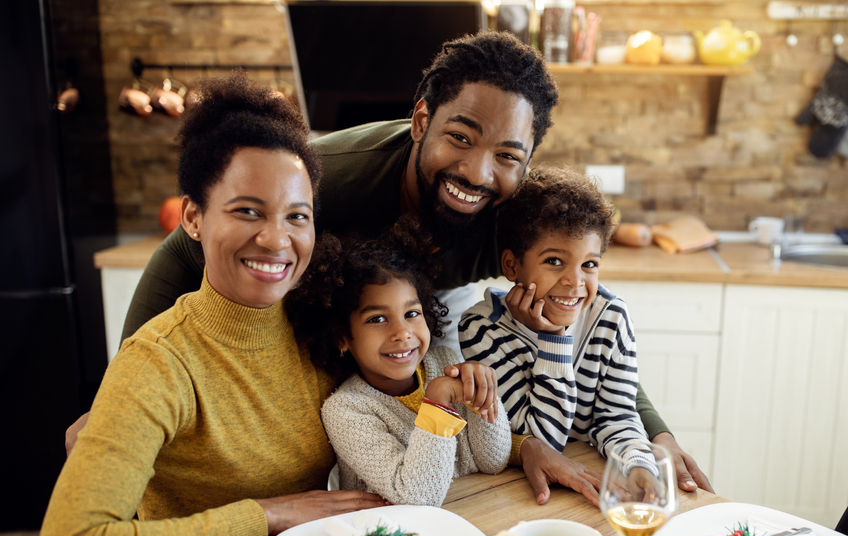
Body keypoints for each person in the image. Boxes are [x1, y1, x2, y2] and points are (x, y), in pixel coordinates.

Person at [69, 31, 711, 503]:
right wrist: (116, 397)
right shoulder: (332, 182)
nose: (478, 172)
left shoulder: (509, 215)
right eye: (460, 137)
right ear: (421, 120)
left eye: (508, 154)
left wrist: (651, 429)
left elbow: (579, 302)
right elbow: (182, 247)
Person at [35, 72, 387, 536]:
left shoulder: (319, 325)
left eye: (298, 216)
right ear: (194, 218)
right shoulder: (158, 360)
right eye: (247, 210)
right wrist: (267, 513)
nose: (276, 238)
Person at [285, 224, 511, 507]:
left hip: (468, 513)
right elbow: (418, 498)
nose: (402, 332)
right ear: (341, 337)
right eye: (377, 319)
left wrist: (484, 395)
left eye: (412, 313)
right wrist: (438, 403)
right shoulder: (347, 409)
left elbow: (494, 460)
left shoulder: (445, 363)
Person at [459, 166, 657, 471]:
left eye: (589, 264)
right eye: (554, 261)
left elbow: (617, 417)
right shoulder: (482, 331)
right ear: (512, 266)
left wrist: (640, 466)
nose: (575, 281)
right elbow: (541, 441)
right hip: (522, 484)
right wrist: (554, 338)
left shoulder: (611, 317)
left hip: (590, 472)